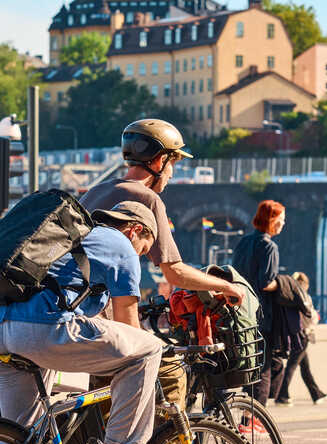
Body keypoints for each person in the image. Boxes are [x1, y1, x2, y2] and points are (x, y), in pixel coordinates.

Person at [0, 200, 164, 444]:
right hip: (42, 330)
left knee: (21, 434)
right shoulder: (121, 245)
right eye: (144, 248)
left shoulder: (75, 239)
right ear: (135, 230)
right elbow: (129, 326)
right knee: (149, 349)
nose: (139, 256)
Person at [80, 119, 246, 406]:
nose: (171, 174)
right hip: (102, 321)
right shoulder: (147, 199)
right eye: (173, 164)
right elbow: (175, 272)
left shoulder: (95, 191)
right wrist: (228, 287)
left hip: (73, 314)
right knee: (170, 374)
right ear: (159, 161)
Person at [231, 199, 284, 402]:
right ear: (272, 220)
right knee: (264, 364)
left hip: (241, 310)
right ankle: (255, 418)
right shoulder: (269, 247)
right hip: (262, 313)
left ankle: (246, 414)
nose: (283, 223)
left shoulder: (243, 242)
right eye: (281, 219)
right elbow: (266, 282)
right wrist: (285, 285)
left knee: (250, 362)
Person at [279, 271, 327, 404]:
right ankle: (282, 395)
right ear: (305, 284)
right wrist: (316, 317)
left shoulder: (289, 296)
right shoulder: (303, 296)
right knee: (292, 366)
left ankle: (316, 394)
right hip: (303, 334)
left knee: (305, 367)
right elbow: (311, 316)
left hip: (295, 333)